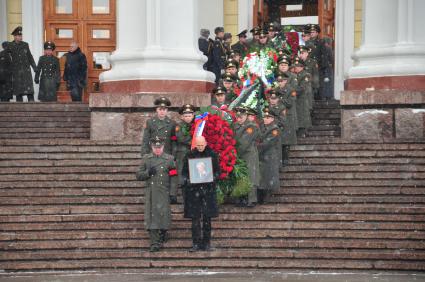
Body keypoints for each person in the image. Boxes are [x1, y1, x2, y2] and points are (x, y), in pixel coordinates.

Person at [136, 136, 177, 252]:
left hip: (164, 191)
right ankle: (154, 242)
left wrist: (173, 193)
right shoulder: (146, 159)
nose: (157, 149)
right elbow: (138, 175)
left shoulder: (169, 159)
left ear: (163, 147)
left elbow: (174, 176)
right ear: (152, 147)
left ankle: (163, 233)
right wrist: (147, 173)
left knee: (164, 215)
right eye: (155, 147)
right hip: (152, 192)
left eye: (160, 147)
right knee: (152, 216)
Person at [181, 136, 220, 251]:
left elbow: (218, 171)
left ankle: (207, 243)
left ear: (206, 143)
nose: (200, 147)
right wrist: (187, 180)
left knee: (207, 219)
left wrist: (212, 177)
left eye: (202, 145)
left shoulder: (212, 155)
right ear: (195, 145)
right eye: (198, 145)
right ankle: (196, 243)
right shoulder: (190, 155)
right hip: (194, 192)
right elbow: (184, 173)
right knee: (195, 220)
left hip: (208, 191)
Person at [233, 106, 260, 207]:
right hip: (238, 154)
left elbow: (244, 143)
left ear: (246, 116)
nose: (239, 119)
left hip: (249, 154)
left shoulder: (251, 127)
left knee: (251, 176)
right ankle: (241, 198)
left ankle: (251, 199)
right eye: (237, 117)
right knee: (240, 176)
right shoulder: (234, 125)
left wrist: (233, 152)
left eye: (241, 117)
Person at [172, 104, 196, 204]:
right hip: (182, 154)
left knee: (193, 175)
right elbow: (181, 138)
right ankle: (185, 198)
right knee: (182, 176)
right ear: (182, 116)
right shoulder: (179, 126)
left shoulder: (197, 125)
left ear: (193, 115)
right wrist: (194, 141)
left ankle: (193, 197)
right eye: (185, 116)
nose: (187, 118)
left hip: (194, 154)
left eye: (189, 115)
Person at [257, 107, 281, 204]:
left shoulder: (275, 129)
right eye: (264, 117)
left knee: (268, 176)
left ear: (272, 119)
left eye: (268, 117)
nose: (265, 119)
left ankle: (267, 196)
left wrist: (256, 147)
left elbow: (268, 143)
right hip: (262, 155)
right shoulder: (262, 127)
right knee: (263, 177)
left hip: (269, 155)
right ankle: (262, 196)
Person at [8, 26, 37, 102]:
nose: (20, 37)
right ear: (14, 36)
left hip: (26, 72)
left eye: (21, 36)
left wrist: (34, 67)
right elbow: (7, 59)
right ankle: (19, 112)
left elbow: (29, 56)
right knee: (19, 93)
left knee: (30, 92)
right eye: (18, 36)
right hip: (17, 73)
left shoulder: (25, 44)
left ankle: (32, 109)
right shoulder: (10, 46)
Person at [276, 73, 297, 166]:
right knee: (280, 138)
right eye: (278, 81)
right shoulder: (275, 90)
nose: (280, 83)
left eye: (282, 81)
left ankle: (285, 158)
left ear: (285, 81)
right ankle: (280, 159)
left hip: (287, 116)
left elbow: (290, 103)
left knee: (286, 139)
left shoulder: (291, 90)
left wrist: (280, 99)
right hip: (277, 116)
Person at [292, 57, 312, 138]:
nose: (295, 68)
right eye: (295, 66)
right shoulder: (295, 75)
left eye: (297, 66)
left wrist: (291, 91)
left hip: (302, 98)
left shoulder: (305, 75)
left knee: (302, 115)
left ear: (302, 67)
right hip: (296, 99)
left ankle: (303, 131)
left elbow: (302, 87)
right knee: (298, 115)